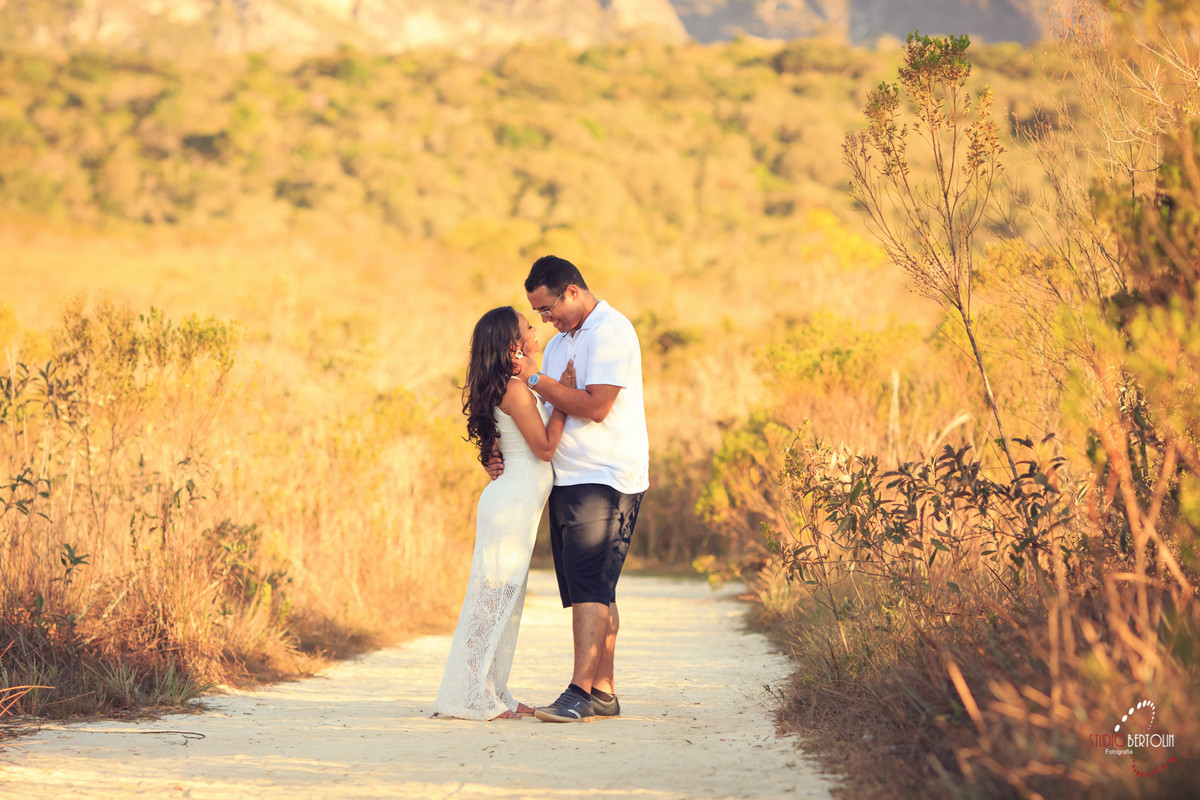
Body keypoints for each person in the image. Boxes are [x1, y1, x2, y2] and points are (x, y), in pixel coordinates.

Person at [520, 254, 649, 723]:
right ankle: (602, 692)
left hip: (605, 477)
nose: (544, 319)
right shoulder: (559, 344)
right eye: (537, 313)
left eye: (547, 308)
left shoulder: (611, 331)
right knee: (592, 588)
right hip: (567, 480)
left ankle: (577, 693)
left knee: (591, 587)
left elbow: (595, 407)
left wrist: (537, 379)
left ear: (572, 291)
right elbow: (551, 409)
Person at [433, 306, 572, 721]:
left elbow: (505, 443)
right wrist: (563, 400)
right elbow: (544, 449)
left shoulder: (514, 386)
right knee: (491, 602)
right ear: (515, 345)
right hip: (510, 506)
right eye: (528, 326)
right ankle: (469, 696)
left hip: (513, 504)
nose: (535, 328)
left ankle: (494, 690)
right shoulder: (514, 390)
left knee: (503, 603)